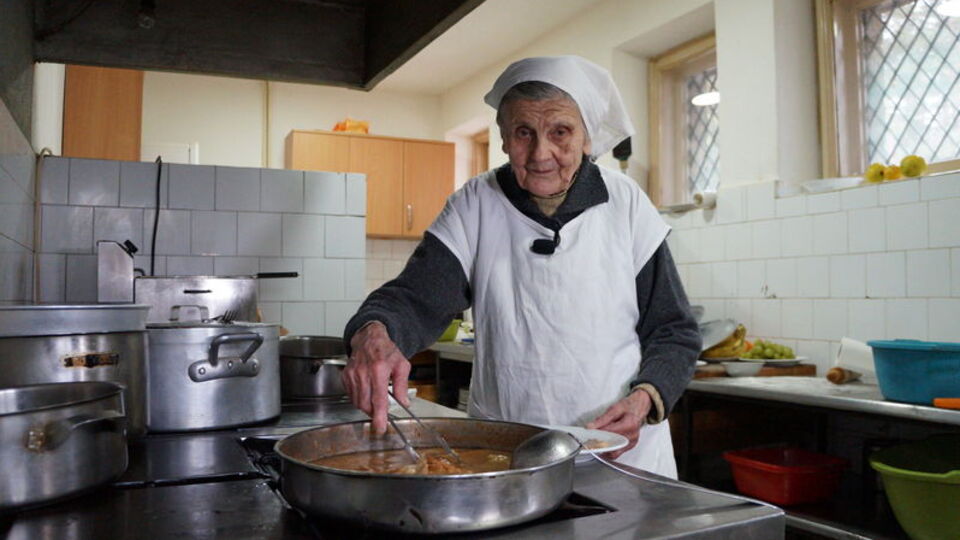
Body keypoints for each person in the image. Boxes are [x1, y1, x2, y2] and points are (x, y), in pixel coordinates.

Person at [342, 56, 700, 478]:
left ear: (586, 137)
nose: (540, 153)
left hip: (621, 455)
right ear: (504, 138)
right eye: (524, 132)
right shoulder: (474, 203)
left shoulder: (627, 204)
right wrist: (376, 331)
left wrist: (645, 398)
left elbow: (673, 329)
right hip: (506, 458)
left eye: (560, 132)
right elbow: (415, 297)